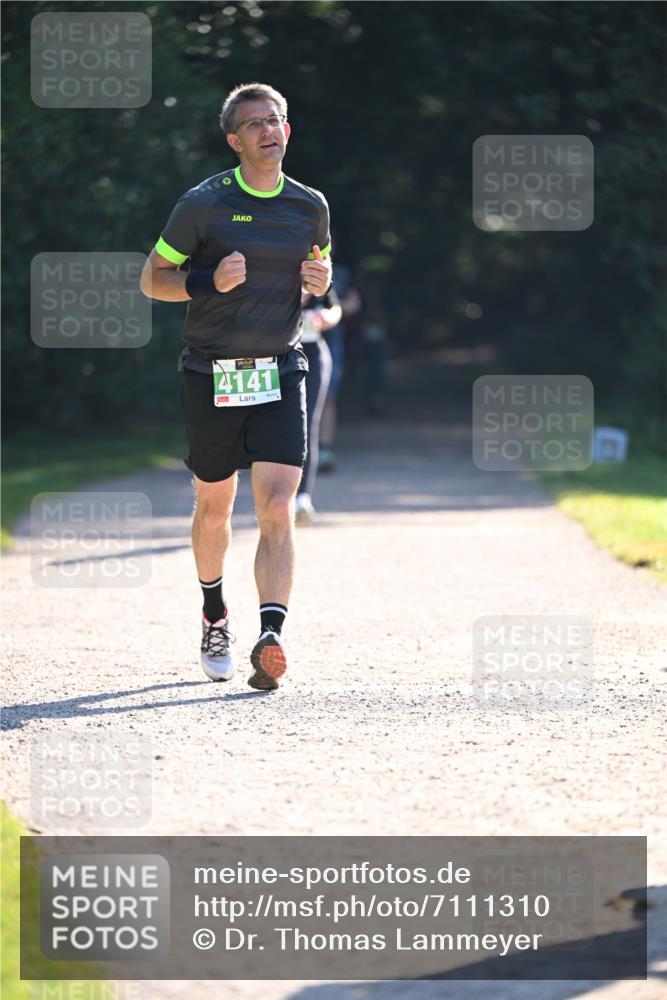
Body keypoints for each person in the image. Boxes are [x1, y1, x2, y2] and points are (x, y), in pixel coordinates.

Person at [139, 82, 332, 691]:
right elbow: (152, 280)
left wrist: (318, 278)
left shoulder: (310, 206)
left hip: (280, 366)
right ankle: (215, 611)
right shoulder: (203, 204)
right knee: (215, 506)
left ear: (288, 130)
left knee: (277, 504)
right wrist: (205, 281)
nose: (269, 130)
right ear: (234, 140)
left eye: (276, 120)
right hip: (213, 371)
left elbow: (316, 273)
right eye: (255, 124)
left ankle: (270, 633)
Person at [295, 287, 341, 525]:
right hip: (274, 354)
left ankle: (302, 498)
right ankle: (274, 496)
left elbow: (335, 307)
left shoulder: (315, 263)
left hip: (312, 352)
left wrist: (326, 318)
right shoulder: (265, 260)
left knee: (307, 423)